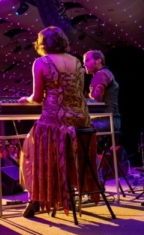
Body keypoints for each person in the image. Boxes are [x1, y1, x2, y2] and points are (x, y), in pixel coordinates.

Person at [18, 26, 99, 218]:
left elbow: (37, 98)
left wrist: (26, 99)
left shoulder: (41, 62)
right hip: (82, 120)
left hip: (55, 120)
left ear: (42, 44)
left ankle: (36, 199)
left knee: (30, 150)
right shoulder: (78, 62)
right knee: (64, 151)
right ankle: (67, 194)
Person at [82, 50, 121, 134]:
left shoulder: (101, 74)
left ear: (98, 60)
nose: (84, 64)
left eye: (87, 60)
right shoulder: (104, 73)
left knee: (74, 127)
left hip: (106, 121)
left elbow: (96, 103)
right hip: (111, 120)